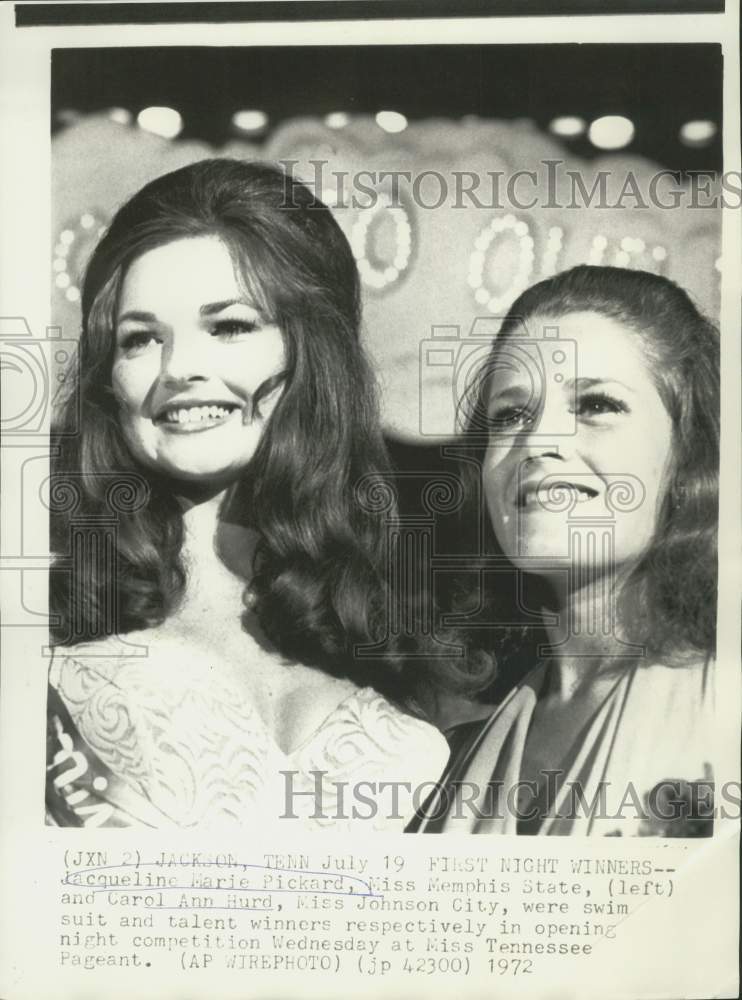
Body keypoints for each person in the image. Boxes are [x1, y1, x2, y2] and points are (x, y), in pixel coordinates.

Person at [46, 158, 451, 830]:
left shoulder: (397, 658)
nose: (180, 370)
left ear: (313, 355)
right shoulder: (41, 650)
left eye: (229, 326)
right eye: (141, 338)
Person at [413, 265, 719, 836]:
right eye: (510, 416)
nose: (537, 443)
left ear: (690, 448)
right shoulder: (445, 761)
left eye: (596, 405)